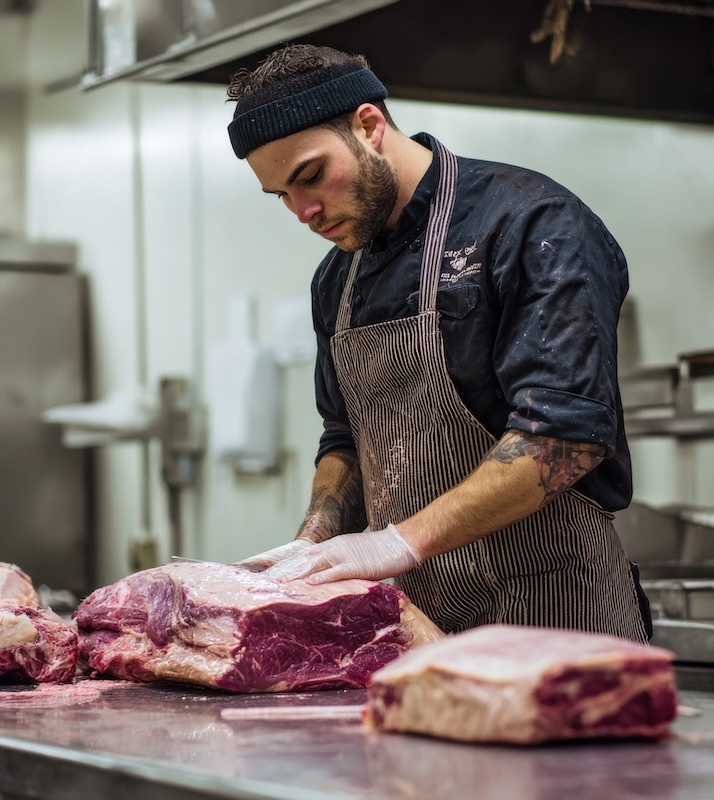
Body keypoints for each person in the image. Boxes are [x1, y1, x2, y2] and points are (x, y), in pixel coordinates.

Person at [226, 43, 652, 642]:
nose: (304, 212)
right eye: (283, 196)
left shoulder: (531, 223)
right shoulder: (338, 278)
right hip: (419, 623)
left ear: (369, 125)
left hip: (558, 618)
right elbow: (346, 437)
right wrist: (313, 544)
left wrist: (398, 542)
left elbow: (566, 439)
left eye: (311, 176)